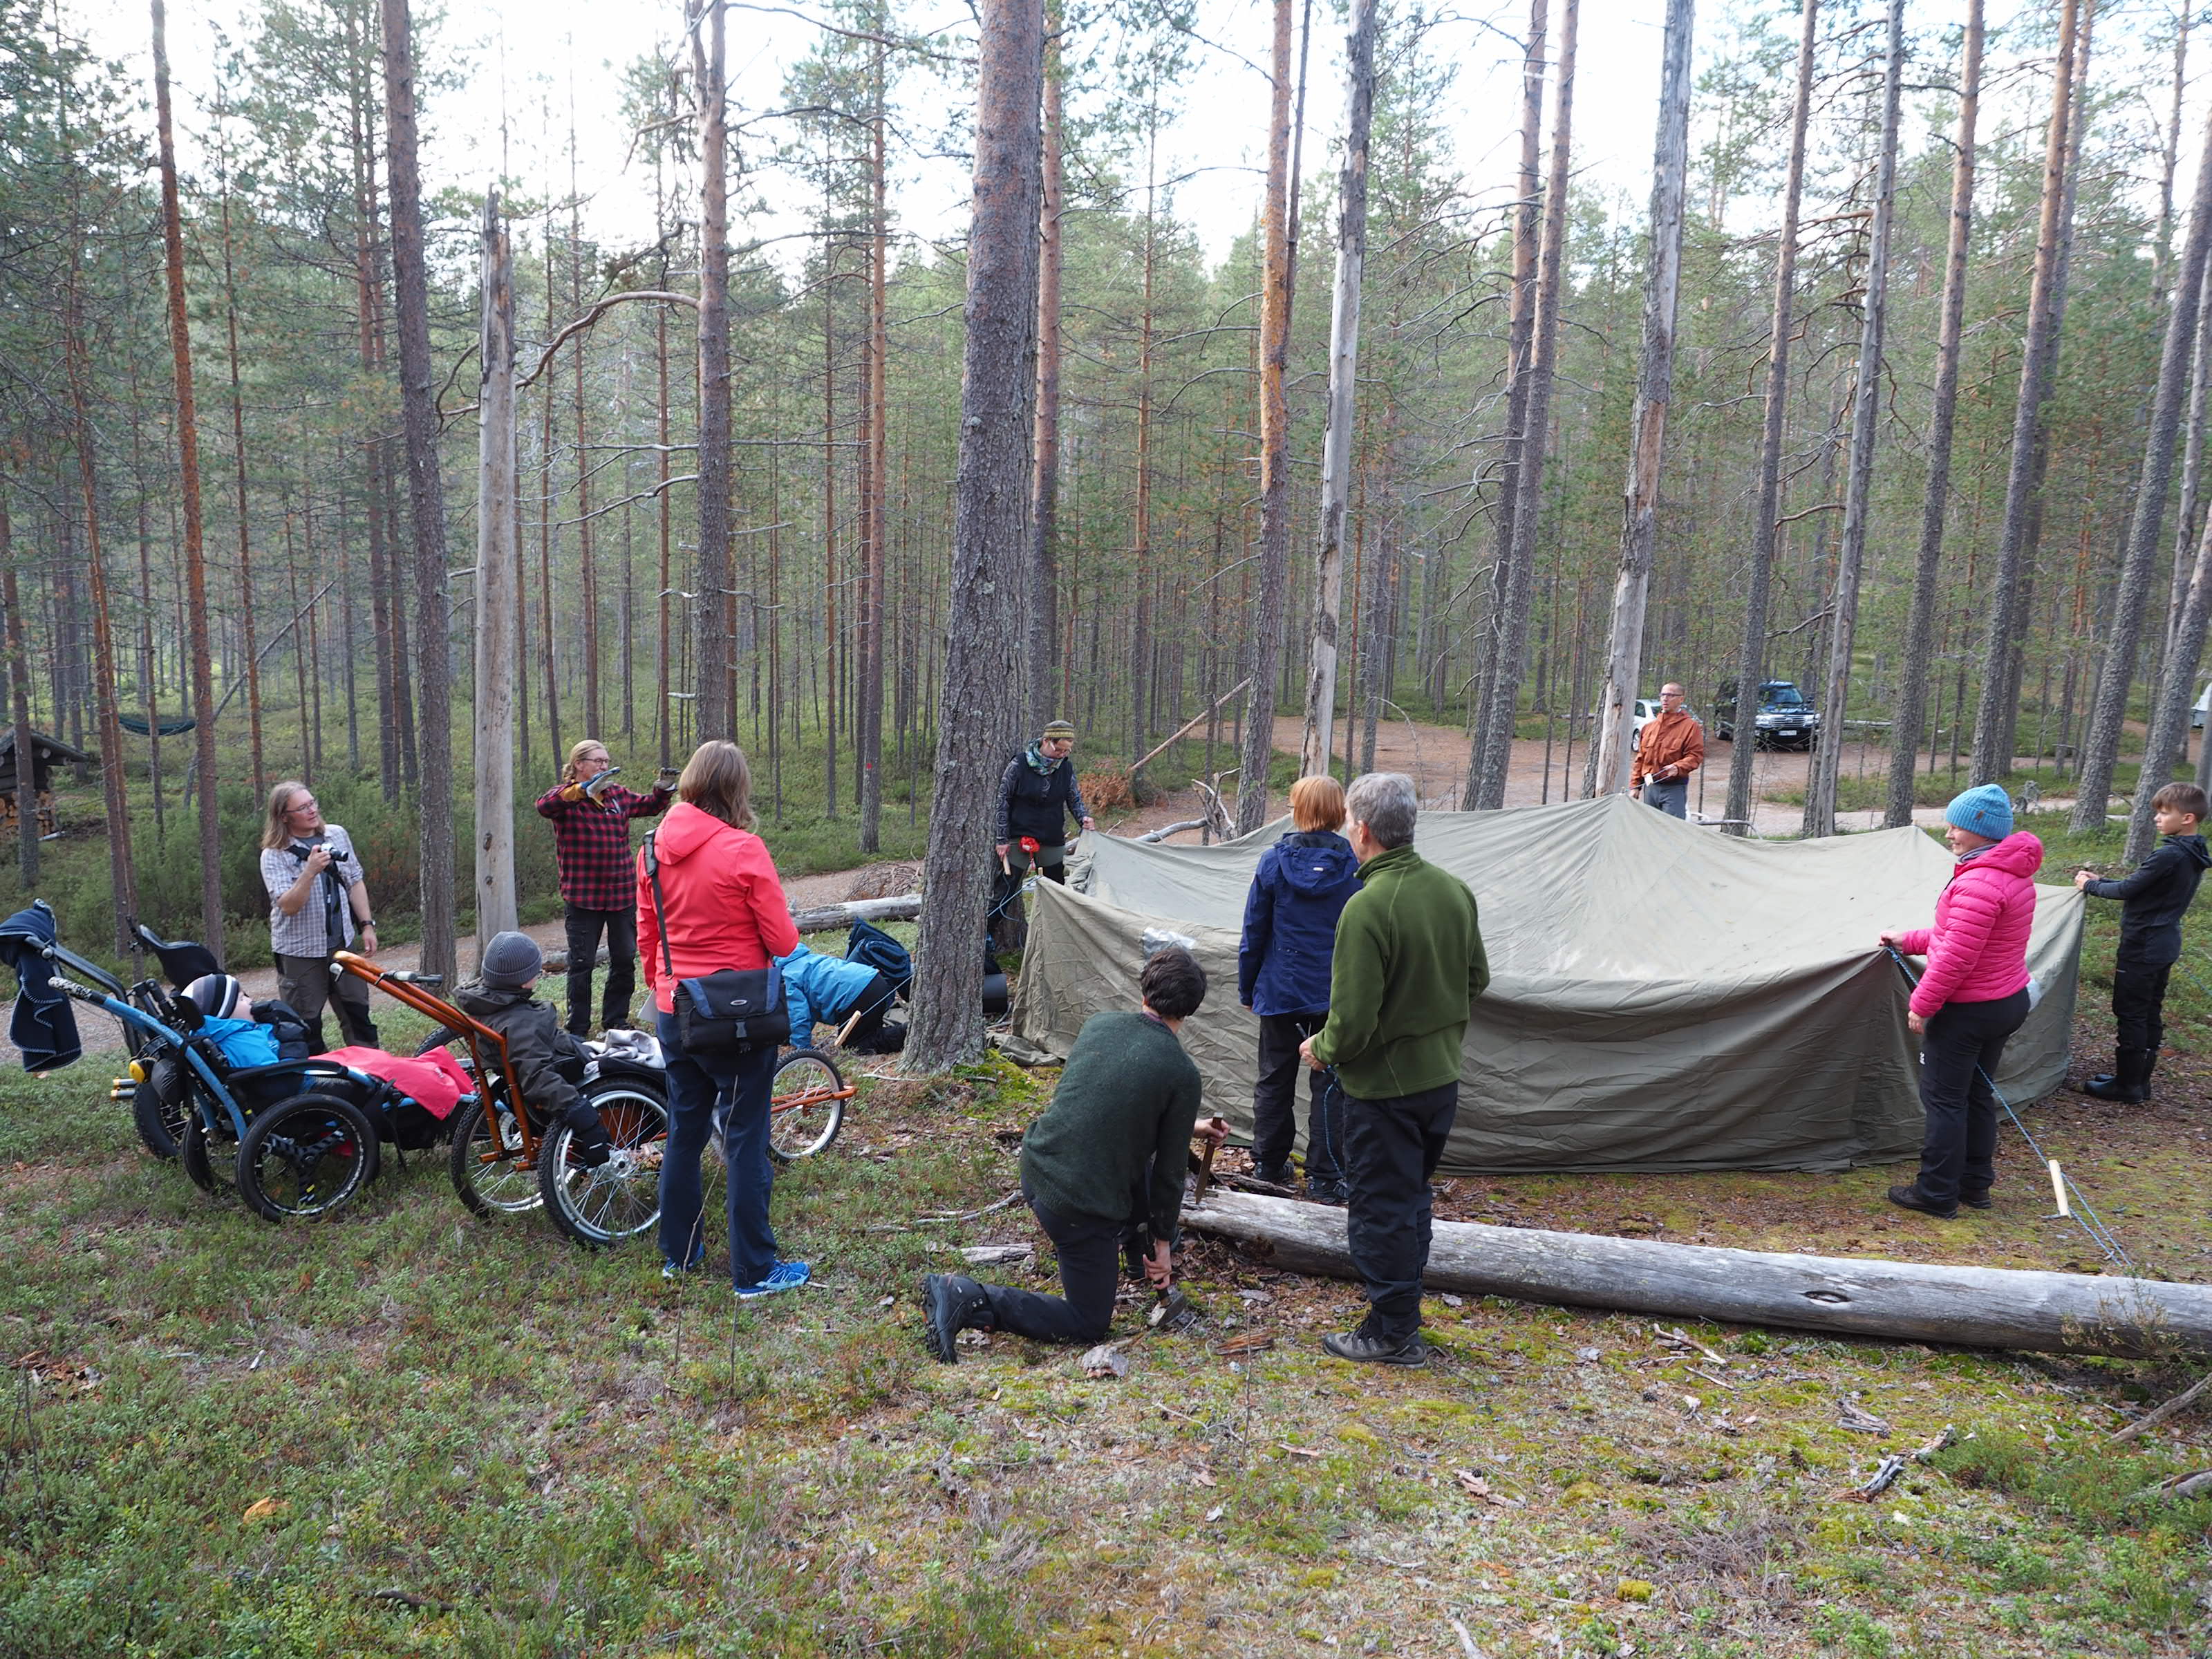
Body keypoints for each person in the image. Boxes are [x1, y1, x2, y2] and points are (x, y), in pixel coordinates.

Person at [921, 948, 1227, 1360]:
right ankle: (967, 1295)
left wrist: (1193, 1125)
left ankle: (1136, 1263)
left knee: (1139, 1171)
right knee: (1088, 1322)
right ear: (1191, 1010)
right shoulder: (1181, 1072)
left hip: (1038, 1165)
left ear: (1145, 990)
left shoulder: (1101, 1025)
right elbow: (1172, 1177)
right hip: (1077, 1205)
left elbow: (1109, 1107)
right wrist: (1163, 1246)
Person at [1299, 772, 1488, 1367]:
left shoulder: (1367, 906)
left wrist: (1321, 1049)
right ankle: (1396, 1315)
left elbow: (1352, 1023)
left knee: (1381, 1209)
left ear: (1361, 829)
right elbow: (1476, 979)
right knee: (1410, 1201)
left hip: (1383, 1091)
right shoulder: (1453, 889)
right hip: (1441, 1082)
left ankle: (1392, 1333)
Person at [637, 740, 806, 1296]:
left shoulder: (650, 849)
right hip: (736, 1018)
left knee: (685, 1131)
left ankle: (678, 1255)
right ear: (735, 791)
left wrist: (663, 984)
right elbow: (783, 940)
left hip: (674, 1008)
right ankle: (755, 1271)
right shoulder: (743, 849)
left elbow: (647, 936)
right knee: (745, 1138)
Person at [1878, 784, 2041, 1219]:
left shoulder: (1981, 882)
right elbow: (1963, 938)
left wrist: (1922, 1003)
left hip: (1969, 1010)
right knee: (1975, 1095)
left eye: (1958, 825)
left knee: (1945, 1101)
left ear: (1980, 831)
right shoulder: (2009, 874)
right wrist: (1908, 939)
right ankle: (1974, 1186)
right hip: (2006, 1001)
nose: (1949, 832)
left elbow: (1956, 956)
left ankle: (1935, 1194)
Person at [1237, 774, 1362, 1201]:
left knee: (1274, 1080)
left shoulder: (1273, 861)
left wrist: (1248, 987)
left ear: (1300, 810)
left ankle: (1269, 1167)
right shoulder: (1355, 865)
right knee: (1330, 1084)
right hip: (1334, 995)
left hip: (1280, 992)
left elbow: (1254, 929)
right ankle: (1327, 1178)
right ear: (1338, 813)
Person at [2073, 781, 2209, 1103]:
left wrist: (2088, 886)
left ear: (2187, 818)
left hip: (2143, 947)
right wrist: (2102, 881)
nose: (2157, 819)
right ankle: (2136, 1081)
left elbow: (2127, 890)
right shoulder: (2193, 851)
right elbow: (2142, 886)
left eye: (2164, 813)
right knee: (2149, 1012)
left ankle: (2128, 1086)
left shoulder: (2170, 855)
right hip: (2164, 943)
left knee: (2131, 1012)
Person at [536, 740, 677, 1037]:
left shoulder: (616, 795)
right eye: (598, 761)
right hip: (583, 897)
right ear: (579, 765)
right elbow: (544, 806)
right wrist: (579, 791)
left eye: (606, 761)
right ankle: (578, 1028)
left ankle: (616, 1021)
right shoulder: (566, 800)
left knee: (624, 959)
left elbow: (649, 806)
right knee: (581, 964)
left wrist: (663, 788)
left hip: (622, 895)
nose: (604, 766)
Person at [453, 931, 612, 1167]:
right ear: (522, 980)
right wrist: (582, 1115)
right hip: (574, 1082)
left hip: (568, 1055)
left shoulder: (486, 1008)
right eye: (534, 972)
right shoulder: (522, 1022)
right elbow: (537, 1076)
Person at [258, 781, 379, 1051]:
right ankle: (317, 1086)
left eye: (313, 803)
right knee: (305, 1027)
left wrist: (367, 925)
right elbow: (288, 906)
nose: (312, 810)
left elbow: (355, 881)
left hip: (343, 946)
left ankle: (372, 1078)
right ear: (283, 816)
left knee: (358, 1016)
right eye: (302, 807)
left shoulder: (336, 835)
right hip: (300, 953)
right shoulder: (273, 855)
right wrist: (310, 871)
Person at [995, 719, 1095, 885]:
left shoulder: (1066, 768)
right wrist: (1002, 839)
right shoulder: (1019, 764)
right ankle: (998, 913)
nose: (1062, 754)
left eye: (1067, 751)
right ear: (1046, 741)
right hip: (1019, 836)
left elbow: (1074, 798)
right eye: (1059, 749)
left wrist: (1083, 818)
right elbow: (1003, 800)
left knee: (1056, 888)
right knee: (1005, 888)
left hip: (1052, 836)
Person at [775, 946, 901, 1051]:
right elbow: (809, 1010)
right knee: (866, 1032)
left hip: (859, 994)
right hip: (873, 980)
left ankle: (906, 1033)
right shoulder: (803, 960)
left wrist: (803, 1049)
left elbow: (799, 1015)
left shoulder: (788, 977)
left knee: (855, 1046)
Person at [180, 973, 312, 1069]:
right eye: (242, 998)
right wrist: (293, 1044)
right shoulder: (241, 1042)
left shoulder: (229, 1034)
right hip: (301, 1089)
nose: (250, 1001)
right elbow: (280, 1081)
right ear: (226, 1013)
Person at [1631, 683, 1703, 818]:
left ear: (1681, 699)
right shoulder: (1649, 727)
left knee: (1671, 831)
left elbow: (1695, 756)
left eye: (1670, 695)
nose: (1665, 699)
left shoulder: (1690, 727)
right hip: (1650, 787)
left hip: (1673, 788)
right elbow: (1641, 759)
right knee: (1651, 830)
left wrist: (1678, 767)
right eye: (1663, 695)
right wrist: (1635, 786)